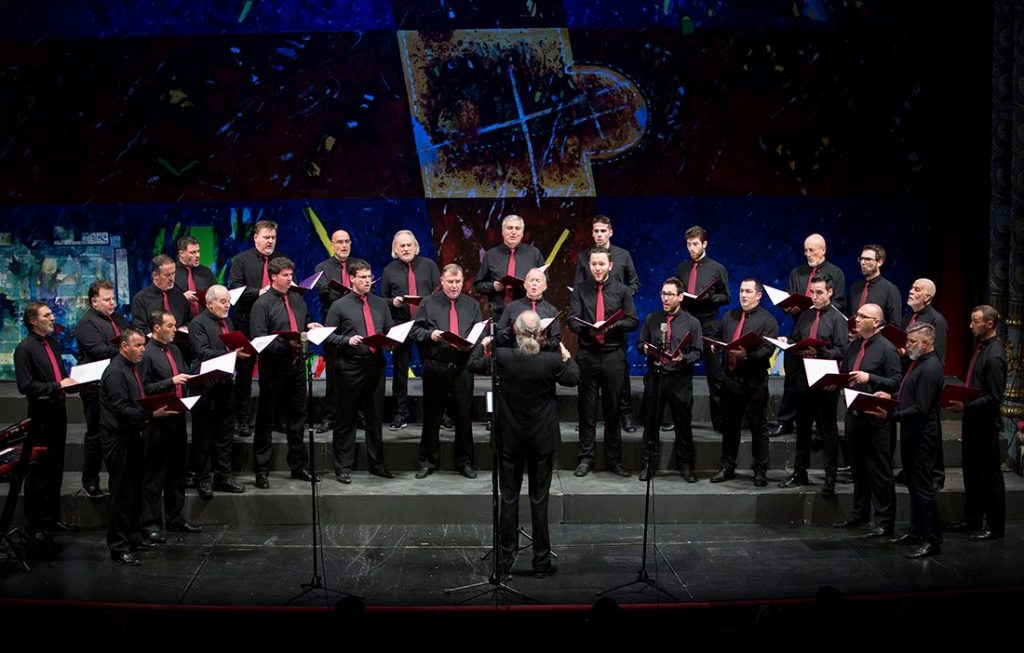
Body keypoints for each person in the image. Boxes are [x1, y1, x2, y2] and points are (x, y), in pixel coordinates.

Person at [469, 311, 580, 577]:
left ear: (516, 332)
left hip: (510, 438)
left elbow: (474, 364)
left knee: (508, 498)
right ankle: (541, 563)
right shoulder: (551, 361)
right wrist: (566, 354)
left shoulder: (503, 357)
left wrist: (484, 344)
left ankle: (505, 561)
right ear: (540, 334)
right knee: (539, 500)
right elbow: (574, 377)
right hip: (541, 439)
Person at [100, 328, 178, 566]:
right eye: (137, 345)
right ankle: (119, 547)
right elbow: (120, 409)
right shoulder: (115, 372)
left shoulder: (131, 368)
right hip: (118, 439)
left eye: (143, 345)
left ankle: (133, 537)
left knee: (134, 492)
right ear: (124, 347)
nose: (143, 349)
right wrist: (150, 414)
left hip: (133, 435)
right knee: (121, 495)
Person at [867, 323, 944, 558]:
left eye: (912, 342)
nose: (907, 346)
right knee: (913, 485)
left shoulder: (931, 368)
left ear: (926, 343)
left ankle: (932, 540)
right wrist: (891, 396)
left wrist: (891, 415)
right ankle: (918, 532)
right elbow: (910, 394)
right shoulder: (918, 364)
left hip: (923, 436)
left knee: (924, 488)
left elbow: (921, 408)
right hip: (913, 433)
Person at [249, 256, 323, 488]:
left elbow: (303, 321)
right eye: (285, 275)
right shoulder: (262, 304)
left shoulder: (297, 299)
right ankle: (261, 470)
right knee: (266, 420)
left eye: (291, 275)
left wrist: (309, 326)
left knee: (297, 419)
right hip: (274, 369)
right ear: (273, 277)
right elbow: (259, 338)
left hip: (297, 367)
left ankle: (299, 466)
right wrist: (286, 344)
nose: (290, 279)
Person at [568, 247, 639, 477]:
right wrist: (587, 329)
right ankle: (586, 458)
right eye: (593, 264)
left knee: (613, 410)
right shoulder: (580, 290)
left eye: (601, 264)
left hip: (612, 356)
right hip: (588, 355)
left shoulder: (622, 290)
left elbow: (633, 321)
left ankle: (614, 460)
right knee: (586, 411)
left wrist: (612, 326)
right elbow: (572, 320)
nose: (597, 268)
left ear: (610, 265)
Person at [833, 303, 901, 537]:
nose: (857, 319)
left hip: (875, 418)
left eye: (863, 316)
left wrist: (870, 377)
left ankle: (884, 521)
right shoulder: (854, 346)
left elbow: (896, 381)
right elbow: (847, 373)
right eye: (857, 315)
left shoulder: (887, 349)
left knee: (879, 471)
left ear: (877, 322)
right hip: (854, 415)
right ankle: (859, 514)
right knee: (858, 468)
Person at [324, 258, 396, 483]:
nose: (367, 281)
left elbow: (389, 330)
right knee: (346, 418)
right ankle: (342, 467)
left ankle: (377, 464)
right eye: (363, 277)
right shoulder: (339, 305)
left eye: (369, 277)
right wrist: (347, 340)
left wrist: (391, 342)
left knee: (375, 418)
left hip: (375, 366)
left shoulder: (380, 304)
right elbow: (328, 336)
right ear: (352, 279)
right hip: (350, 367)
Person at [13, 302, 79, 539]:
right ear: (33, 321)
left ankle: (52, 518)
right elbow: (26, 386)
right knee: (38, 471)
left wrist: (69, 383)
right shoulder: (24, 349)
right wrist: (57, 385)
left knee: (56, 466)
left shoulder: (51, 342)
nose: (52, 318)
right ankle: (35, 524)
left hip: (58, 410)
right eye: (47, 315)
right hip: (41, 414)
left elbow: (58, 375)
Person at [770, 233, 847, 436]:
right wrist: (791, 307)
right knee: (792, 380)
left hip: (824, 330)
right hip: (801, 327)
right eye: (805, 250)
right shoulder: (797, 272)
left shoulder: (835, 273)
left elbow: (840, 303)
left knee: (818, 386)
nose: (808, 254)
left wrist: (816, 305)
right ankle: (786, 421)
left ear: (823, 249)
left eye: (811, 250)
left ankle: (820, 426)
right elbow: (789, 297)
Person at [778, 274, 847, 496]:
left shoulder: (837, 319)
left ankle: (830, 477)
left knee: (828, 429)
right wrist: (787, 343)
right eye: (812, 293)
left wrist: (820, 351)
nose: (814, 297)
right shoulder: (806, 315)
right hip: (804, 378)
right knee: (803, 428)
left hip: (825, 380)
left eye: (819, 293)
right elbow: (795, 339)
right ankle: (800, 472)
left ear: (830, 292)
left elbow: (841, 350)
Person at [412, 264, 482, 479]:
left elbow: (479, 335)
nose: (454, 286)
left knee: (463, 417)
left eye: (458, 282)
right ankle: (427, 461)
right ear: (442, 281)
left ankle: (465, 462)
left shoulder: (472, 305)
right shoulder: (428, 302)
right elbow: (415, 331)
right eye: (450, 282)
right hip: (436, 367)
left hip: (462, 368)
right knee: (432, 416)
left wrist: (474, 353)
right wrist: (430, 334)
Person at [709, 279, 779, 487]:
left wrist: (746, 355)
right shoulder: (729, 316)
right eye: (741, 291)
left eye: (748, 291)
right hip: (731, 381)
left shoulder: (768, 321)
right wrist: (716, 346)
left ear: (758, 295)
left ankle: (760, 470)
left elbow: (767, 350)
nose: (743, 295)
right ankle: (727, 466)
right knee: (730, 427)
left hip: (754, 383)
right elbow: (720, 337)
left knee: (758, 428)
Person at [575, 215, 640, 433]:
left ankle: (625, 414)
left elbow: (634, 282)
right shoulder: (584, 256)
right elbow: (578, 285)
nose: (599, 234)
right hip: (592, 321)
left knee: (619, 370)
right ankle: (586, 419)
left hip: (616, 321)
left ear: (610, 232)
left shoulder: (623, 255)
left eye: (603, 230)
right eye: (596, 231)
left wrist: (622, 298)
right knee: (589, 376)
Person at [945, 305, 1006, 541]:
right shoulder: (981, 348)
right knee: (972, 473)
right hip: (973, 421)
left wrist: (965, 406)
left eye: (975, 321)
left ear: (989, 324)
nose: (971, 326)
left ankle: (994, 526)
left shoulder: (995, 354)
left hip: (985, 425)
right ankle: (972, 519)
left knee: (989, 477)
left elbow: (994, 397)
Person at [138, 310, 199, 542]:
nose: (175, 329)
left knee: (177, 472)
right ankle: (150, 523)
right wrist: (170, 381)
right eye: (170, 326)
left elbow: (183, 376)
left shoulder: (174, 349)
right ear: (156, 328)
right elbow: (144, 388)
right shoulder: (146, 354)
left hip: (177, 417)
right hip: (158, 421)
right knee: (155, 475)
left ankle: (175, 517)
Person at [636, 278, 703, 482]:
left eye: (670, 294)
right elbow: (640, 343)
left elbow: (698, 352)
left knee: (683, 425)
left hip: (679, 379)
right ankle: (648, 464)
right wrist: (645, 349)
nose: (665, 298)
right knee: (651, 424)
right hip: (656, 377)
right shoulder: (652, 318)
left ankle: (686, 466)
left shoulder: (692, 322)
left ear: (680, 297)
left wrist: (684, 358)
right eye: (663, 294)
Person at [187, 284, 247, 498]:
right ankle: (203, 478)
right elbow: (203, 352)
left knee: (225, 433)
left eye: (229, 301)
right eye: (223, 301)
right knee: (203, 436)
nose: (227, 305)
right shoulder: (197, 323)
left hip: (225, 384)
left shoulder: (227, 321)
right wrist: (232, 354)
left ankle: (223, 476)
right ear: (210, 303)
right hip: (206, 387)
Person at [228, 219, 282, 439]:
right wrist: (260, 292)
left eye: (273, 238)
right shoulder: (241, 260)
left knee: (274, 374)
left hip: (273, 326)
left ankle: (274, 419)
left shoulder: (281, 260)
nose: (270, 241)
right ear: (255, 238)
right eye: (266, 237)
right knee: (244, 375)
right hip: (246, 323)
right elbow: (234, 288)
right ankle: (243, 420)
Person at [380, 230, 439, 431]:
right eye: (402, 246)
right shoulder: (389, 270)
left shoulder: (429, 266)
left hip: (426, 325)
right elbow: (383, 300)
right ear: (395, 249)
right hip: (401, 325)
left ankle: (438, 414)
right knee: (399, 372)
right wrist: (393, 302)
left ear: (415, 246)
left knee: (432, 371)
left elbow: (438, 295)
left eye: (409, 245)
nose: (406, 249)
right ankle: (400, 414)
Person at [75, 279, 129, 498]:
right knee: (96, 433)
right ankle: (90, 480)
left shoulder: (118, 319)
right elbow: (97, 350)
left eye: (113, 298)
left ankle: (121, 479)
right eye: (107, 300)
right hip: (94, 385)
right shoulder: (87, 324)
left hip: (118, 382)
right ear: (94, 302)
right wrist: (125, 347)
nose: (112, 303)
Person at [675, 225, 730, 432]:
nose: (691, 248)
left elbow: (726, 297)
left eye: (695, 244)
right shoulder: (682, 268)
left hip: (708, 323)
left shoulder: (717, 268)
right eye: (689, 244)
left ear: (704, 244)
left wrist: (710, 297)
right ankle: (680, 420)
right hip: (686, 323)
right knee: (680, 373)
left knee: (714, 375)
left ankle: (720, 421)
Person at [897, 278, 949, 490]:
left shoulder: (937, 320)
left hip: (926, 376)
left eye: (917, 289)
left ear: (928, 296)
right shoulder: (908, 317)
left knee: (928, 426)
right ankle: (910, 470)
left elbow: (938, 356)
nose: (911, 291)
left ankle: (935, 475)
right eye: (911, 287)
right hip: (910, 371)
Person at [314, 229, 354, 432]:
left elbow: (368, 290)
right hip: (333, 326)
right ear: (332, 245)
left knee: (357, 374)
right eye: (339, 242)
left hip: (356, 326)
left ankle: (357, 416)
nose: (344, 245)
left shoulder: (358, 265)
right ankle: (330, 416)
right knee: (333, 373)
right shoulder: (323, 267)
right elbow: (324, 293)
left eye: (347, 241)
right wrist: (351, 294)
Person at [473, 214, 545, 322]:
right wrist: (493, 286)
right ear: (503, 231)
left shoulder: (534, 254)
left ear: (522, 232)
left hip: (527, 315)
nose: (513, 232)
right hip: (498, 314)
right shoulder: (491, 254)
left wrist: (531, 286)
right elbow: (479, 285)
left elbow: (545, 283)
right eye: (510, 228)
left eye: (517, 228)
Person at [494, 267, 561, 350]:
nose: (534, 284)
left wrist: (545, 343)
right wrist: (511, 330)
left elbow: (556, 340)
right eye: (531, 280)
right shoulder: (511, 307)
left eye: (538, 281)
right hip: (515, 353)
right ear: (525, 285)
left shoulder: (551, 311)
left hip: (541, 354)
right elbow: (498, 337)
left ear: (545, 286)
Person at [848, 244, 901, 327]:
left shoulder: (890, 290)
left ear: (879, 262)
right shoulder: (855, 287)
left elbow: (894, 325)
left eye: (868, 259)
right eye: (861, 259)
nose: (862, 263)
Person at [174, 234, 214, 322]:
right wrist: (181, 297)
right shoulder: (171, 273)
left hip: (204, 322)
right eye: (192, 253)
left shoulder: (207, 272)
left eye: (198, 251)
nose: (197, 255)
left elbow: (215, 296)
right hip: (179, 323)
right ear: (181, 253)